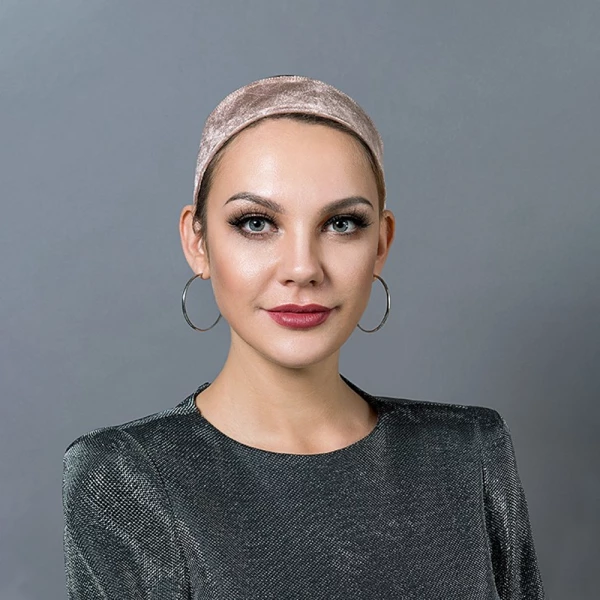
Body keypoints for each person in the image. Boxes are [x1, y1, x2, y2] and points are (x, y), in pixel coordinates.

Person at [62, 75, 546, 599]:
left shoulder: (469, 452)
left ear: (381, 244)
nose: (302, 268)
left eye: (341, 224)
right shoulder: (125, 475)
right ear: (197, 242)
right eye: (255, 223)